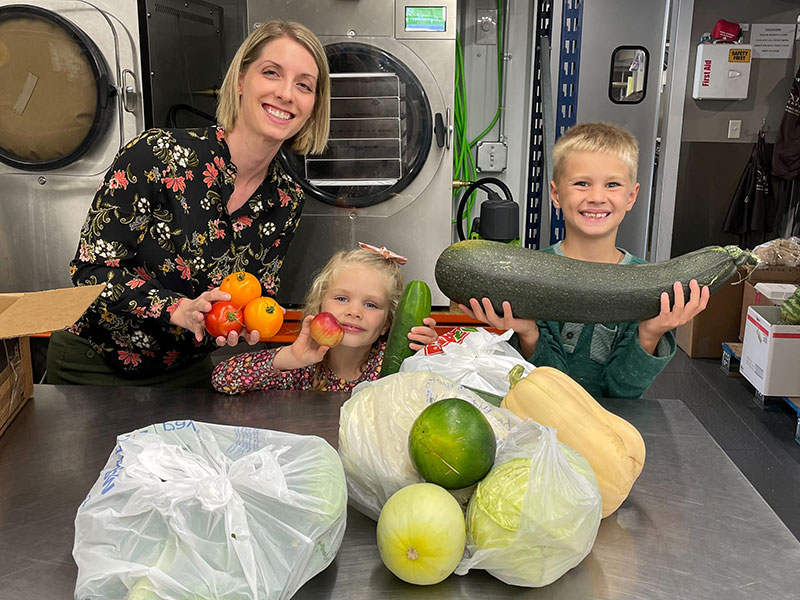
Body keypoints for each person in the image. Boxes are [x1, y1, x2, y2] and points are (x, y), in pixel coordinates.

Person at [46, 20, 331, 388]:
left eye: (304, 85)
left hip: (188, 374)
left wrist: (242, 326)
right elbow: (90, 272)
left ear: (313, 106)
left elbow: (255, 294)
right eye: (272, 73)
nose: (286, 93)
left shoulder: (286, 200)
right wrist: (176, 309)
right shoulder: (157, 155)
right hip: (93, 365)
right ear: (241, 80)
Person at [460, 122, 710, 398]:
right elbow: (547, 390)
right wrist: (529, 334)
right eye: (581, 184)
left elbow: (622, 392)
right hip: (539, 418)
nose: (596, 197)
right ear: (556, 194)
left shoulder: (650, 289)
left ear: (631, 196)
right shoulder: (529, 275)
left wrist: (650, 333)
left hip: (615, 427)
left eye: (612, 184)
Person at [212, 245, 439, 394]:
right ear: (320, 305)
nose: (354, 311)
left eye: (371, 305)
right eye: (342, 298)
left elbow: (436, 396)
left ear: (387, 324)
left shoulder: (396, 369)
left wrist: (430, 360)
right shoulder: (303, 364)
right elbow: (222, 378)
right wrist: (288, 357)